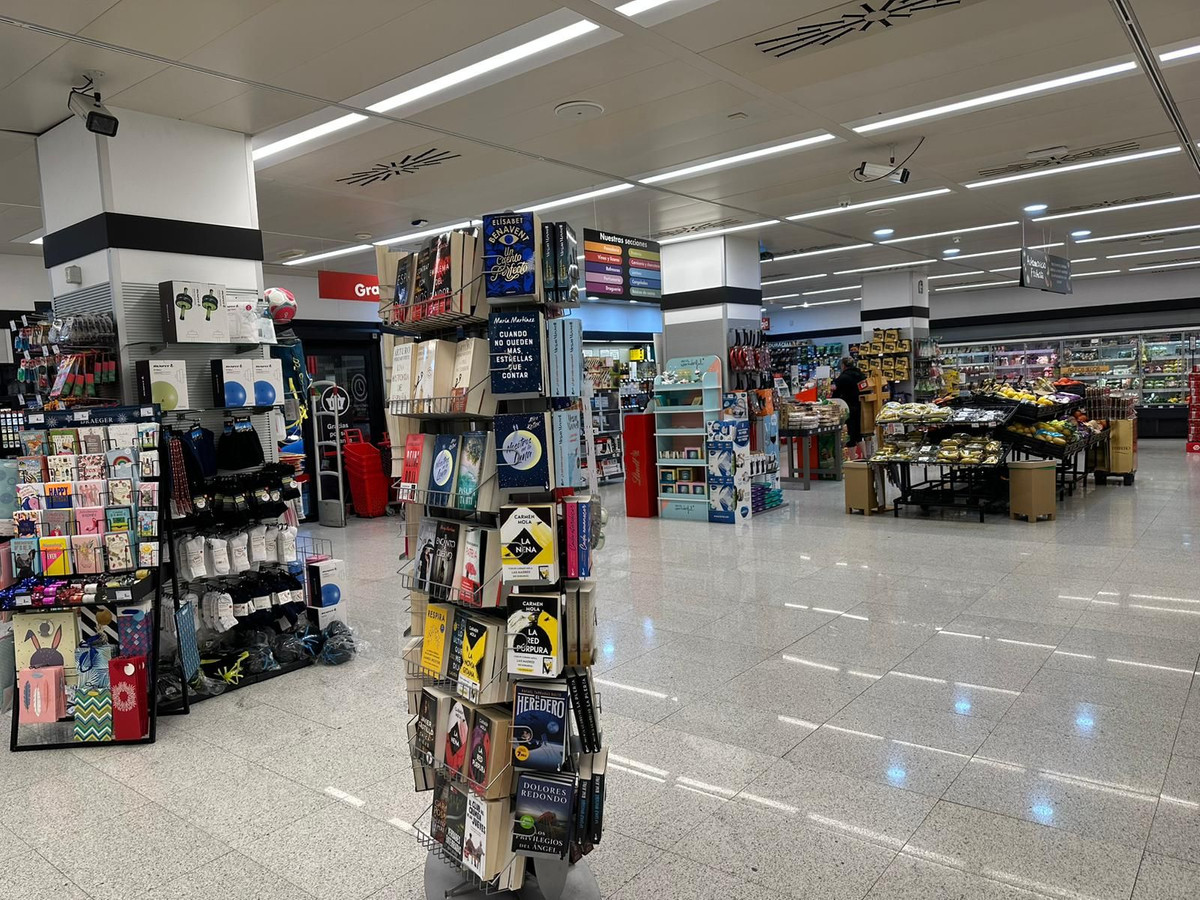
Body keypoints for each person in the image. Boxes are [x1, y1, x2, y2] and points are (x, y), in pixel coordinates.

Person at [832, 357, 867, 446]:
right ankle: (864, 453)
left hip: (848, 407)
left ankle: (852, 454)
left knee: (850, 434)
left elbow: (836, 394)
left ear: (843, 366)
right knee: (859, 433)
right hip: (861, 406)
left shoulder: (843, 377)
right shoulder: (861, 375)